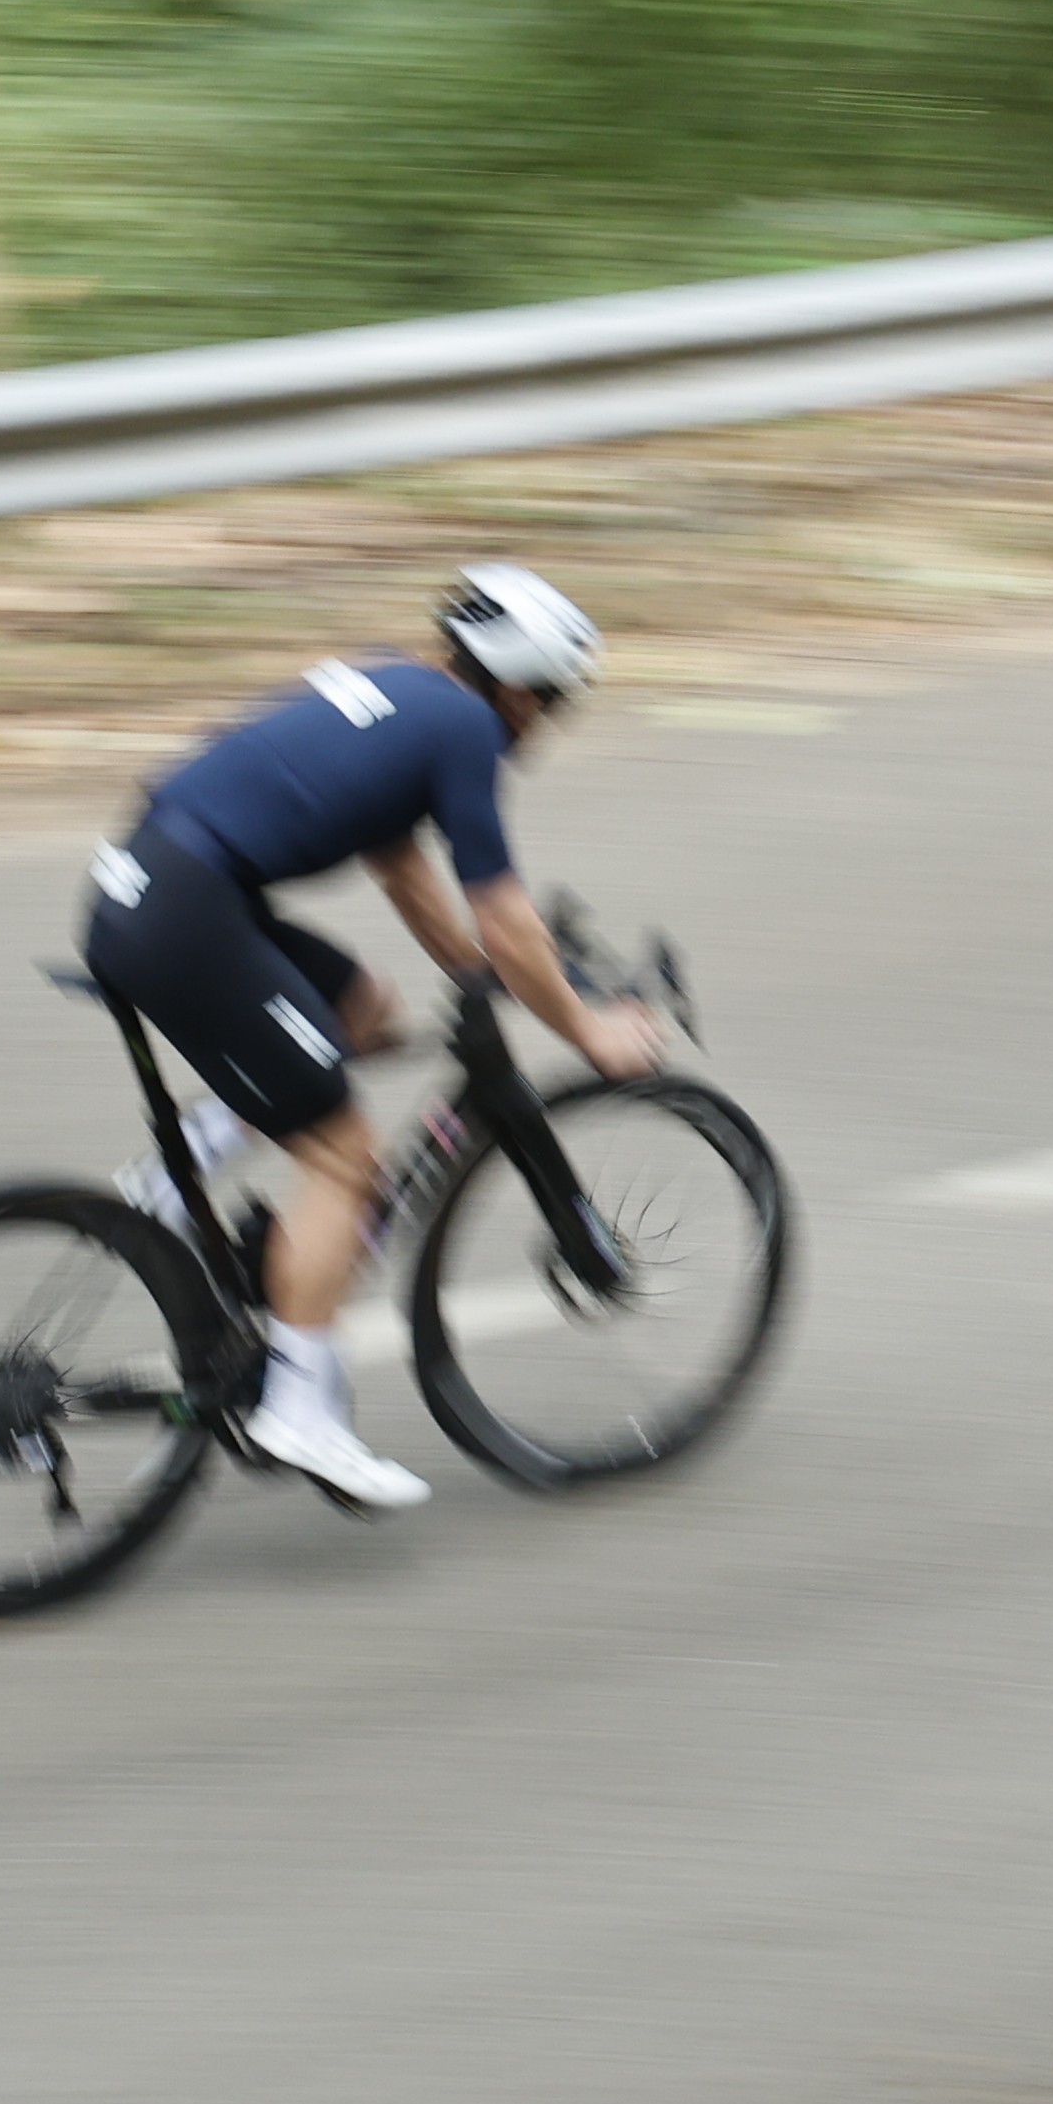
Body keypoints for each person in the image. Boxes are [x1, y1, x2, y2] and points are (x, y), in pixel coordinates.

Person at [79, 563, 662, 1512]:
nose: (546, 726)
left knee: (361, 1008)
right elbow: (511, 921)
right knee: (348, 1160)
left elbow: (400, 869)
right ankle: (299, 1412)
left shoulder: (404, 690)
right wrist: (588, 1029)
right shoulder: (469, 729)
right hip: (189, 916)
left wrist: (479, 979)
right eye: (551, 703)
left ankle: (179, 1178)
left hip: (147, 883)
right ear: (515, 687)